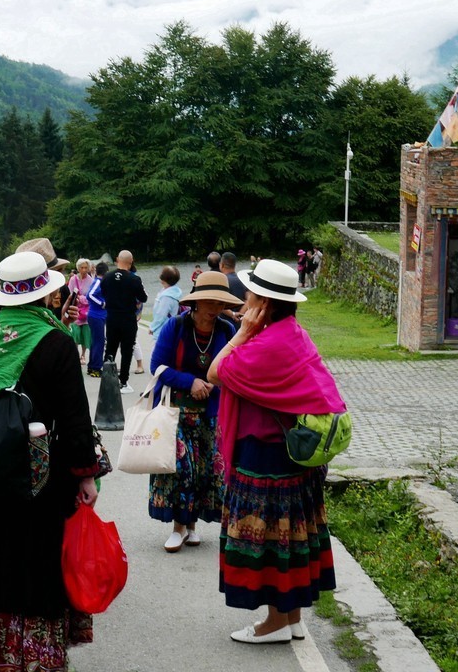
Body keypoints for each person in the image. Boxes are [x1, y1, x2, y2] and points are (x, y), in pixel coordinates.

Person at [0, 251, 99, 672]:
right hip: (43, 476)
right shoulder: (55, 342)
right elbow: (75, 418)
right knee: (39, 555)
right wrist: (85, 475)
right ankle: (36, 656)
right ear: (45, 296)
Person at [207, 258, 342, 645]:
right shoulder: (293, 333)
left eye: (249, 294)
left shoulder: (264, 344)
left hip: (266, 456)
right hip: (291, 456)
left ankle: (275, 623)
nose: (244, 300)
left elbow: (216, 372)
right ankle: (292, 617)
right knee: (291, 537)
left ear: (262, 302)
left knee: (269, 539)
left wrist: (242, 333)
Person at [149, 271, 240, 552]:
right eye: (209, 302)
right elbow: (158, 367)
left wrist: (212, 384)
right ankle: (177, 527)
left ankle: (192, 526)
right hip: (177, 411)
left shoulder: (227, 330)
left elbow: (235, 367)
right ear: (196, 302)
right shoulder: (175, 327)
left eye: (219, 303)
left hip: (212, 413)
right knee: (181, 469)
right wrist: (191, 381)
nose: (214, 308)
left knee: (204, 470)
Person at [99, 250, 148, 393]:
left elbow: (103, 293)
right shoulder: (134, 279)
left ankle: (107, 382)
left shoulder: (107, 277)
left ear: (116, 260)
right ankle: (123, 382)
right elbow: (143, 297)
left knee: (110, 349)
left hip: (112, 317)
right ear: (131, 262)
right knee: (127, 350)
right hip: (128, 318)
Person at [67, 258, 95, 365]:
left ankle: (83, 355)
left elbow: (91, 297)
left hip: (86, 311)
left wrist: (81, 299)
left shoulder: (91, 281)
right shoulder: (73, 279)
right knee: (75, 334)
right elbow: (70, 293)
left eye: (85, 268)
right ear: (78, 268)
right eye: (81, 267)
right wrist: (76, 299)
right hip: (75, 310)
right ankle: (76, 354)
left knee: (85, 334)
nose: (83, 270)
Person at [85, 262, 109, 378]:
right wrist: (102, 303)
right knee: (99, 342)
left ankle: (92, 366)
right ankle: (96, 368)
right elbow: (89, 295)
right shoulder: (98, 282)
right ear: (106, 272)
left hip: (98, 316)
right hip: (96, 316)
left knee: (96, 341)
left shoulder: (100, 282)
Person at [148, 266, 183, 338]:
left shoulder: (167, 297)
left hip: (161, 332)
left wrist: (152, 327)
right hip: (168, 329)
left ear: (163, 279)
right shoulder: (174, 291)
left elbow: (161, 315)